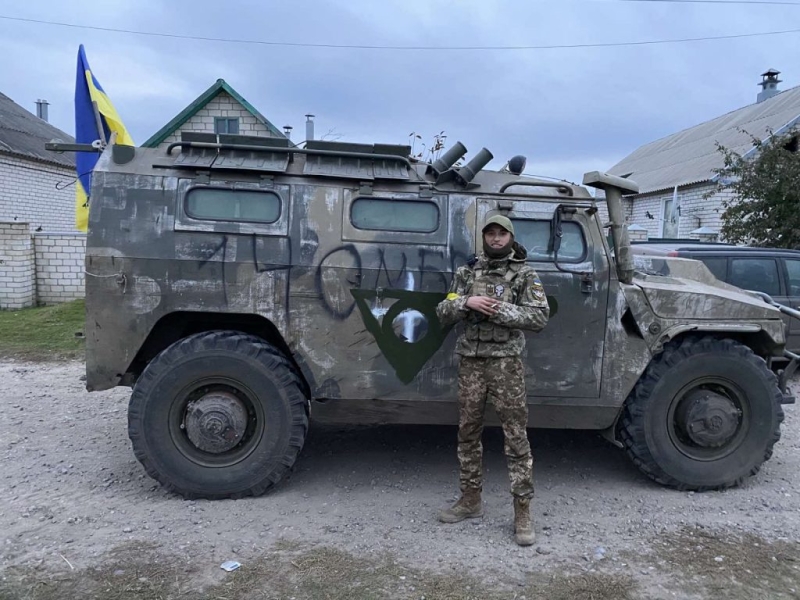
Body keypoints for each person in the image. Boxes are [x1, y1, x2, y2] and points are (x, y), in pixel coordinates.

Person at [435, 215, 550, 546]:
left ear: (511, 237)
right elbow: (444, 310)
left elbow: (539, 316)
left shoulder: (524, 274)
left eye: (502, 234)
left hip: (505, 365)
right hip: (471, 364)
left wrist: (499, 310)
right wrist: (466, 302)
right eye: (491, 233)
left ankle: (522, 511)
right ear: (483, 237)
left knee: (516, 438)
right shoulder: (466, 272)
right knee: (467, 433)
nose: (496, 239)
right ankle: (470, 501)